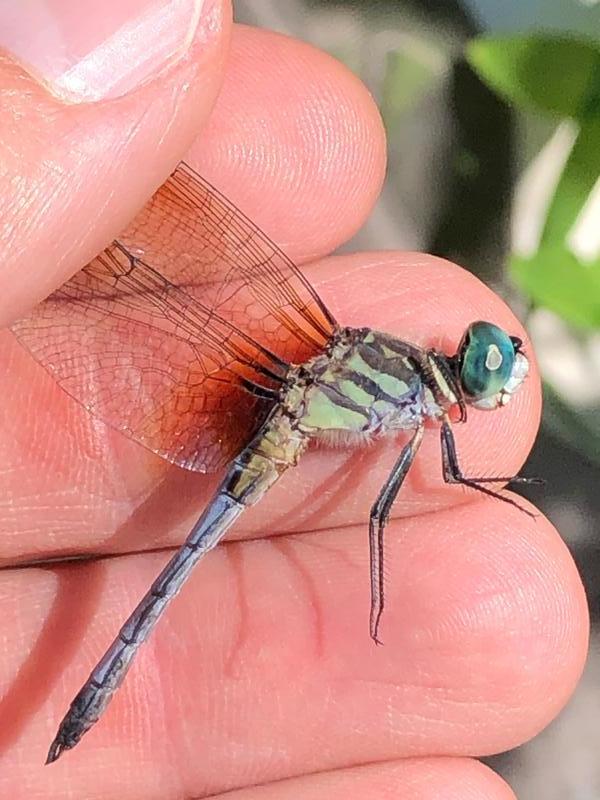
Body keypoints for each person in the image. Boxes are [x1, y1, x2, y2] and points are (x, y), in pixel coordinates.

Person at [0, 2, 587, 797]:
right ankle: (98, 692)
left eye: (491, 367)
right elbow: (393, 506)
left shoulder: (410, 386)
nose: (496, 370)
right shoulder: (420, 410)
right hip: (274, 428)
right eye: (490, 368)